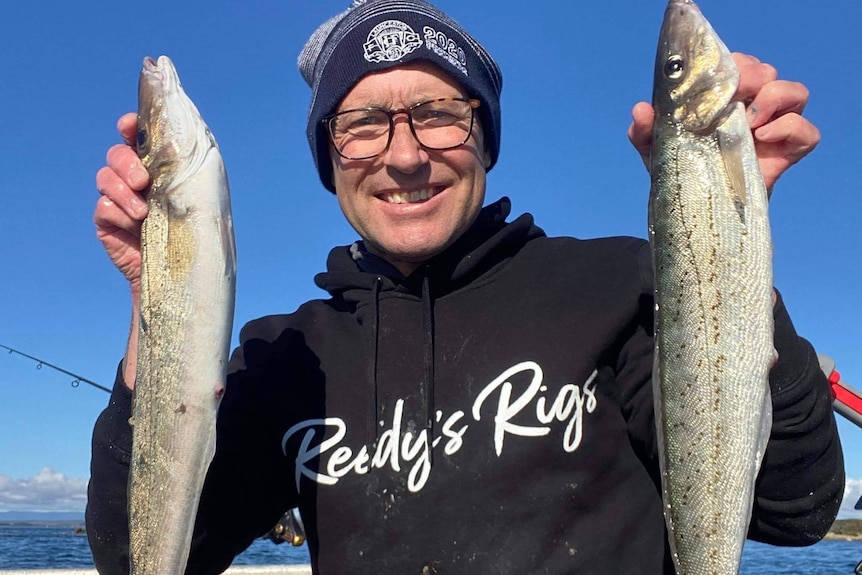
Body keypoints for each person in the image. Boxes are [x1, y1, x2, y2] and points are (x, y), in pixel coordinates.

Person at [86, 1, 845, 573]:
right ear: (329, 156)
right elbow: (140, 556)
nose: (405, 154)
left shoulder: (619, 283)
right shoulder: (286, 357)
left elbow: (796, 503)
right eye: (362, 123)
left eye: (439, 114)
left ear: (484, 137)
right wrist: (156, 297)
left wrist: (721, 242)